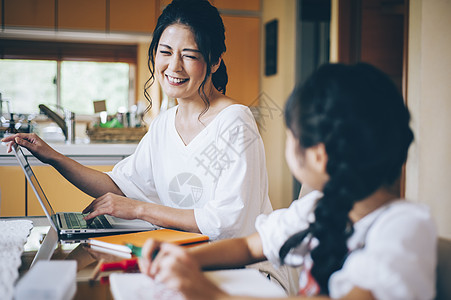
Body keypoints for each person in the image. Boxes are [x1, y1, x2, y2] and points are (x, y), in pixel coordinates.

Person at [138, 63, 437, 299]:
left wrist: (215, 296)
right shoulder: (321, 206)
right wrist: (184, 258)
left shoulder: (405, 227)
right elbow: (250, 246)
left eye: (290, 135)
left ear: (318, 156)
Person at [1, 0, 272, 240]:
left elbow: (228, 222)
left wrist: (141, 210)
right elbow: (120, 185)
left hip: (239, 268)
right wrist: (52, 156)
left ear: (214, 62)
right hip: (184, 256)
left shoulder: (235, 122)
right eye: (165, 52)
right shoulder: (165, 124)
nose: (174, 66)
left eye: (189, 56)